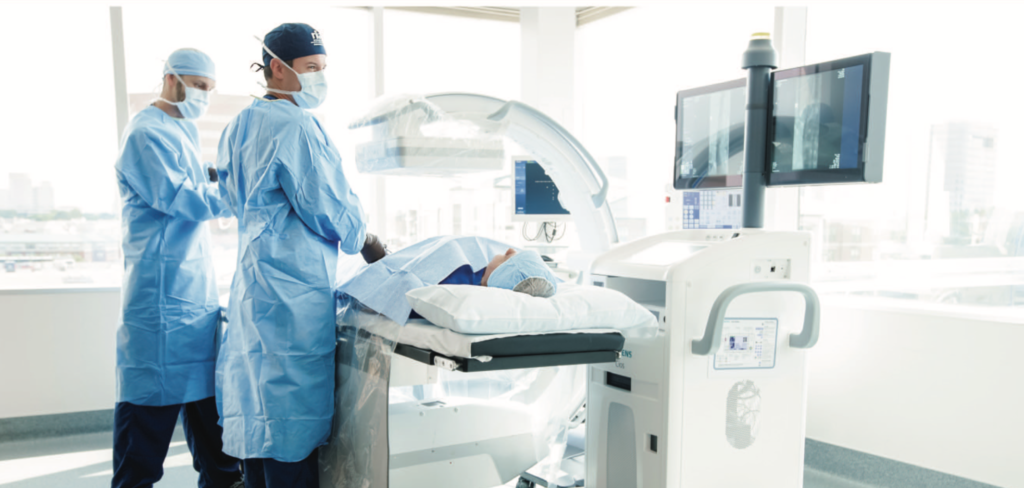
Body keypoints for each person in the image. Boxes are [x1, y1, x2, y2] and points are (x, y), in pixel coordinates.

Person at [215, 23, 372, 488]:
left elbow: (229, 197)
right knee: (289, 426)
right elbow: (333, 209)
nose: (319, 78)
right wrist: (369, 241)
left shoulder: (239, 124)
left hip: (254, 287)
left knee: (260, 419)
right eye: (311, 68)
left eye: (323, 69)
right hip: (291, 296)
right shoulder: (296, 126)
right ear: (277, 68)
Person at [112, 48, 241, 488]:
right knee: (141, 456)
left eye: (209, 89)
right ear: (170, 79)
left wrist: (216, 174)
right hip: (158, 301)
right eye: (198, 86)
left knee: (219, 452)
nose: (203, 96)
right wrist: (240, 189)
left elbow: (194, 178)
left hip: (192, 300)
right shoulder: (145, 134)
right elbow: (183, 198)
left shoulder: (180, 128)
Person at [336, 235, 559, 325]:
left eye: (510, 257)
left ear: (500, 276)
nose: (508, 250)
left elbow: (401, 287)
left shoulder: (455, 282)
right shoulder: (476, 276)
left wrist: (379, 255)